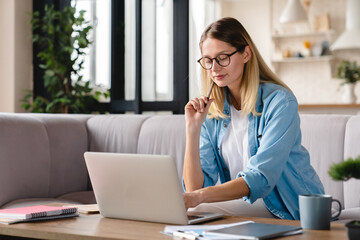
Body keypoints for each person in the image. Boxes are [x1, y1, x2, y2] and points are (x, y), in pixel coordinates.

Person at [182, 17, 324, 220]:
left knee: (195, 211)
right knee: (191, 211)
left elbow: (260, 177)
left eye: (222, 58)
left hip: (291, 207)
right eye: (208, 60)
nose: (214, 68)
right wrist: (192, 129)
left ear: (246, 54)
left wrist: (198, 198)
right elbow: (194, 187)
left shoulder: (280, 102)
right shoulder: (212, 111)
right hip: (245, 205)